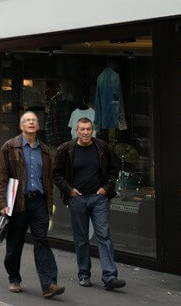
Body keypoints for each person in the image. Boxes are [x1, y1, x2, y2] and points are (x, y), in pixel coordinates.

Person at [0, 111, 64, 298]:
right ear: (21, 126)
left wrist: (49, 205)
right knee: (15, 243)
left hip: (38, 203)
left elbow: (48, 180)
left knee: (42, 241)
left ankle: (49, 283)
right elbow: (1, 178)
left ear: (38, 126)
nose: (31, 122)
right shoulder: (9, 147)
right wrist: (2, 203)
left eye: (34, 120)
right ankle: (14, 278)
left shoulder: (45, 150)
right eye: (27, 120)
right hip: (18, 203)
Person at [53, 118, 126, 290]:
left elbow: (113, 171)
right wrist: (69, 190)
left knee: (104, 236)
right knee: (81, 239)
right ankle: (84, 274)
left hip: (98, 198)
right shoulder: (66, 149)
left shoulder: (101, 147)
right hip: (77, 199)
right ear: (76, 131)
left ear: (92, 130)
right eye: (83, 129)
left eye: (89, 129)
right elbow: (57, 174)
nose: (86, 132)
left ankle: (109, 277)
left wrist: (105, 189)